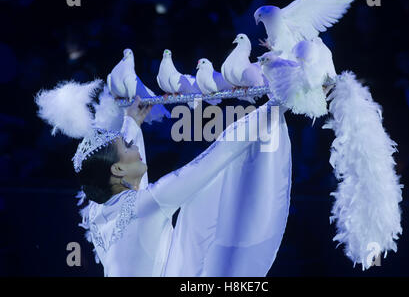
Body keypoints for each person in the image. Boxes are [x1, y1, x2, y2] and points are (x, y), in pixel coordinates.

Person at [74, 94, 291, 277]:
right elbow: (217, 155)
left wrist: (131, 123)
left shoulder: (97, 211)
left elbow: (128, 184)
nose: (136, 149)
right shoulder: (150, 202)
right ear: (117, 170)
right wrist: (277, 104)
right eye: (128, 147)